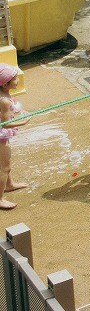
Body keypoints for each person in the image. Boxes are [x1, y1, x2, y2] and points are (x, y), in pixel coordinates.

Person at [0, 64, 29, 209]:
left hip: (2, 136)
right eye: (15, 78)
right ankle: (0, 198)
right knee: (5, 167)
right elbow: (5, 124)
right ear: (5, 84)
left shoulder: (5, 96)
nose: (17, 80)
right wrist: (22, 122)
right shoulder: (4, 100)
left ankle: (10, 184)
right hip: (1, 137)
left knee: (6, 164)